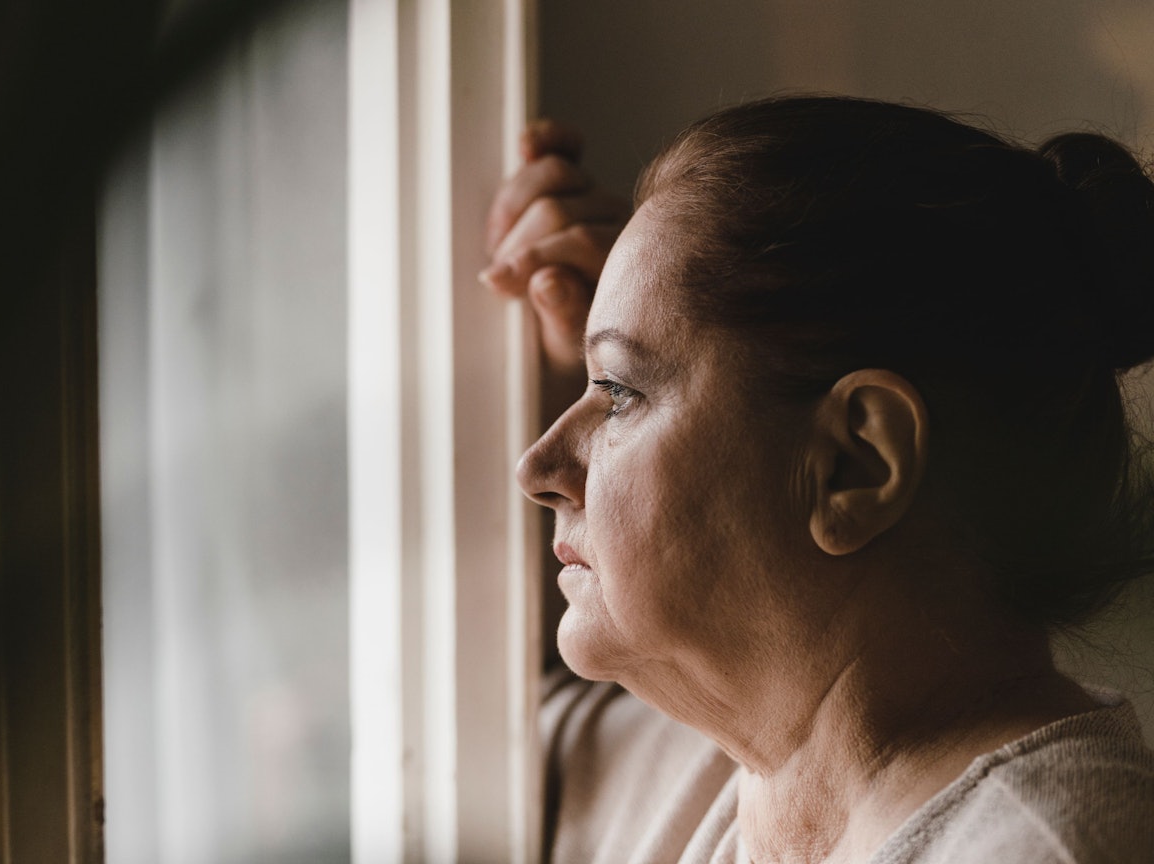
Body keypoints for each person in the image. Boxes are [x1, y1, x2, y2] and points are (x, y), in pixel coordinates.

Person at [483, 96, 1154, 863]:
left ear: (854, 463)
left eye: (622, 395)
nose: (535, 469)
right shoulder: (693, 766)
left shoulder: (1046, 850)